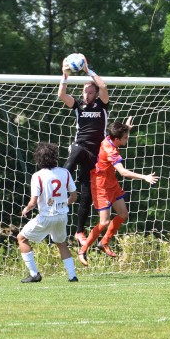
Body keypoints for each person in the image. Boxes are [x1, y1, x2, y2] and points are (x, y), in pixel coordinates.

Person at [77, 118, 159, 264]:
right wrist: (144, 177)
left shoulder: (110, 138)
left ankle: (104, 242)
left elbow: (115, 133)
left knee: (123, 214)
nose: (127, 139)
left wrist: (126, 128)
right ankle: (83, 250)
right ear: (117, 139)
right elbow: (123, 172)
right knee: (104, 222)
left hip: (111, 183)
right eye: (125, 137)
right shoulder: (111, 151)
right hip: (101, 185)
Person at [57, 53, 109, 257]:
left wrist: (88, 71)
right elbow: (62, 95)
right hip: (80, 148)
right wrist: (64, 75)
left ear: (95, 94)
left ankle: (79, 231)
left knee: (87, 194)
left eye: (89, 91)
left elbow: (103, 87)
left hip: (96, 155)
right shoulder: (78, 105)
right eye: (85, 91)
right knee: (75, 149)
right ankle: (59, 182)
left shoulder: (102, 105)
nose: (86, 94)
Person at [17, 142, 79, 283]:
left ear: (38, 159)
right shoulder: (65, 173)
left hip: (46, 216)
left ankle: (34, 274)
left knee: (21, 238)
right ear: (55, 156)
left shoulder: (37, 176)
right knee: (61, 243)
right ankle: (72, 276)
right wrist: (63, 203)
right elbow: (74, 196)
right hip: (62, 216)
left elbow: (33, 202)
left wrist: (27, 208)